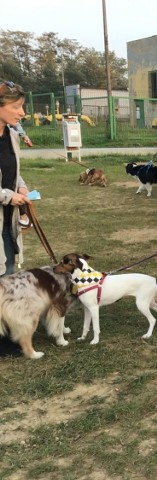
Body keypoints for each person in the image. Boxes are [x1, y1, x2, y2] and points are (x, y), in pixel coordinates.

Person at [0, 81, 32, 357]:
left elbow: (13, 170)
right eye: (15, 107)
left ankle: (8, 332)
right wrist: (9, 196)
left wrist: (21, 187)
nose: (21, 113)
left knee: (8, 270)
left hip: (7, 218)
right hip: (4, 206)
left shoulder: (10, 134)